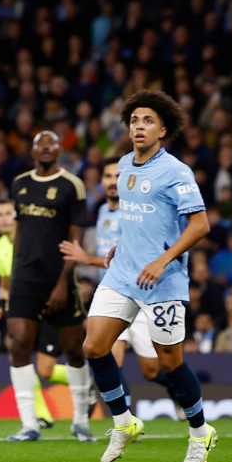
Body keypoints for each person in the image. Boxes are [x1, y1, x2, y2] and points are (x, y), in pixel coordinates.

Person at [83, 90, 217, 462]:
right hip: (124, 271)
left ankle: (200, 432)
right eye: (134, 120)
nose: (139, 127)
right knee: (94, 346)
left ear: (163, 130)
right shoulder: (125, 164)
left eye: (147, 121)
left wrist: (162, 260)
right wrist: (120, 245)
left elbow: (200, 224)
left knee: (168, 364)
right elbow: (139, 217)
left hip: (162, 279)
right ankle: (124, 423)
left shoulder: (176, 172)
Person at [61, 159, 183, 411]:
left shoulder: (135, 211)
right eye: (107, 176)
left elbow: (126, 257)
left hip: (141, 293)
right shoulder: (103, 212)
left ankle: (179, 392)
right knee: (108, 357)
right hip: (115, 291)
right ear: (101, 182)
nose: (112, 181)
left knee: (151, 370)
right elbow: (111, 259)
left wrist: (86, 260)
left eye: (118, 176)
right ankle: (126, 420)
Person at [3, 131, 95, 443]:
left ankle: (81, 420)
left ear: (59, 150)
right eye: (40, 143)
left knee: (73, 349)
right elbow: (20, 230)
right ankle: (29, 424)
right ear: (32, 150)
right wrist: (15, 274)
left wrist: (63, 283)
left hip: (60, 279)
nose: (45, 148)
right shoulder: (20, 183)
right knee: (19, 344)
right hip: (25, 279)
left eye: (51, 143)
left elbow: (75, 238)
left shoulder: (72, 185)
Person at [0, 199, 57, 429]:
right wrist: (1, 305)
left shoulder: (32, 240)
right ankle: (41, 415)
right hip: (19, 308)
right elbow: (5, 284)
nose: (4, 218)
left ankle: (83, 381)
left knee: (46, 368)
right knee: (18, 357)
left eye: (8, 213)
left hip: (45, 304)